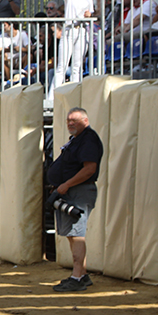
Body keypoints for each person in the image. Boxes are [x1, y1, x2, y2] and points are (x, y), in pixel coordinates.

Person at [48, 107, 102, 292]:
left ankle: (77, 277)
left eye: (75, 120)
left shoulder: (88, 140)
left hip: (78, 191)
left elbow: (89, 169)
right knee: (72, 234)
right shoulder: (77, 140)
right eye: (68, 120)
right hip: (71, 191)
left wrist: (67, 184)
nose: (71, 123)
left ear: (85, 121)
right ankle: (82, 275)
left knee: (77, 234)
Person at [54, 0, 96, 91]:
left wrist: (88, 16)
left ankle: (74, 92)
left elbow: (90, 15)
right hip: (69, 30)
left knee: (77, 66)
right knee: (62, 65)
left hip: (82, 30)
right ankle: (53, 96)